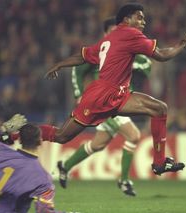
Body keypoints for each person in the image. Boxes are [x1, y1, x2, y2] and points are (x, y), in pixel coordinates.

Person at [40, 3, 186, 178]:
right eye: (139, 17)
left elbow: (82, 56)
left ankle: (159, 162)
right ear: (127, 20)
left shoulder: (109, 39)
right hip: (100, 97)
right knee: (62, 136)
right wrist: (183, 44)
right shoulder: (131, 34)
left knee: (159, 109)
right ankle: (15, 134)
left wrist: (59, 64)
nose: (143, 20)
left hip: (119, 95)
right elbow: (162, 55)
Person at [57, 17, 152, 196]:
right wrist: (78, 95)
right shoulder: (101, 50)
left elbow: (147, 62)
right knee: (134, 135)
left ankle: (65, 166)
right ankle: (124, 180)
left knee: (98, 144)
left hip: (120, 101)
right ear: (105, 33)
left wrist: (135, 63)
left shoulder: (127, 47)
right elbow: (77, 69)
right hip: (105, 103)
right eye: (112, 31)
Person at [0, 114, 75, 213]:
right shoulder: (42, 179)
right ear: (40, 141)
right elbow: (44, 210)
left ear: (19, 140)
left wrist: (3, 129)